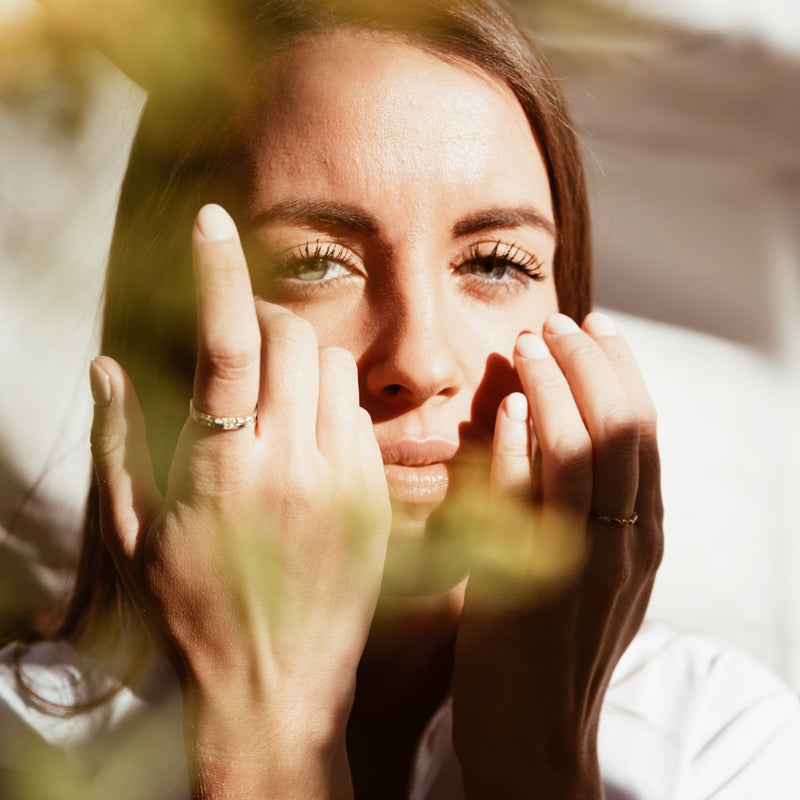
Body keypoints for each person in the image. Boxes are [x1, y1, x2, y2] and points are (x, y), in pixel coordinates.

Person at [1, 1, 798, 798]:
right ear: (173, 324)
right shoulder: (23, 748)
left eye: (493, 262)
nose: (419, 361)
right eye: (314, 264)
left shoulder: (718, 745)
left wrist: (538, 762)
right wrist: (260, 743)